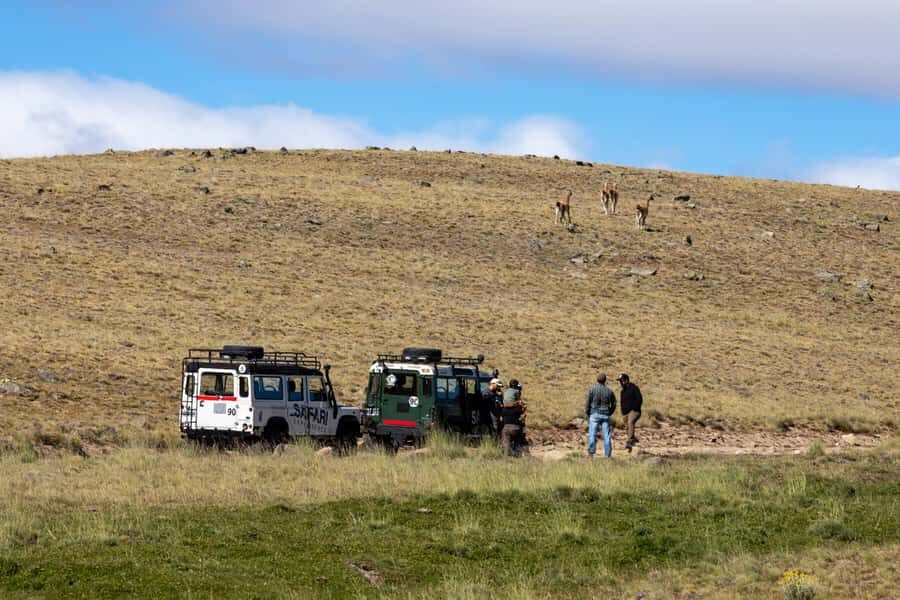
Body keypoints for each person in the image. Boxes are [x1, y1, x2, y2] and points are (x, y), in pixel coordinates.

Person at [585, 372, 616, 458]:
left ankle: (591, 453)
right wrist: (610, 412)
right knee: (606, 436)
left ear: (597, 379)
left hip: (594, 414)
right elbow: (614, 404)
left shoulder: (592, 389)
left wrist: (588, 412)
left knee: (592, 434)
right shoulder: (610, 391)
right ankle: (608, 455)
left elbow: (588, 402)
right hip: (605, 414)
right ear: (605, 380)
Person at [617, 373, 643, 452]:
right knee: (627, 427)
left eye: (622, 381)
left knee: (630, 422)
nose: (620, 383)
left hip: (634, 411)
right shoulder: (622, 391)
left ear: (626, 380)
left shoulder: (634, 388)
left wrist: (634, 408)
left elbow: (639, 399)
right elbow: (622, 402)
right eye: (620, 381)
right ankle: (633, 439)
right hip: (625, 413)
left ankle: (629, 441)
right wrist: (623, 411)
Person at [500, 379, 526, 456]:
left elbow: (501, 419)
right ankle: (517, 452)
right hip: (515, 425)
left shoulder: (506, 391)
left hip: (505, 407)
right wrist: (521, 405)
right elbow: (519, 401)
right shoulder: (516, 392)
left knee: (506, 439)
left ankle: (506, 454)